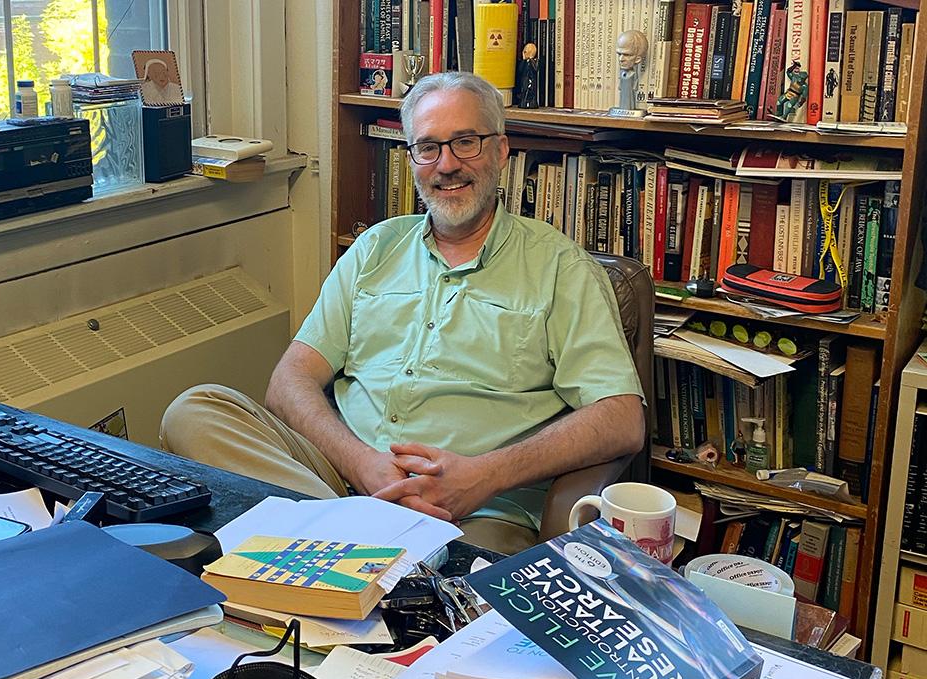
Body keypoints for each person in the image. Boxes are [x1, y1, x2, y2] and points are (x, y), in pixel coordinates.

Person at [160, 72, 644, 553]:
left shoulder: (561, 268)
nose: (446, 165)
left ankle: (326, 542)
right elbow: (289, 381)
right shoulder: (375, 248)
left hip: (469, 509)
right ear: (411, 159)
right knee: (195, 411)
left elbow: (621, 418)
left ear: (500, 151)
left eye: (466, 143)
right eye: (428, 147)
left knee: (454, 582)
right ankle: (352, 533)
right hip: (339, 477)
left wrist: (482, 476)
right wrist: (362, 465)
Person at [615, 29, 649, 112]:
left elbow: (635, 85)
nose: (621, 59)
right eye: (619, 54)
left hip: (630, 98)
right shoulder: (622, 72)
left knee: (629, 99)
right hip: (623, 98)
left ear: (638, 59)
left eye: (626, 55)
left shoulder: (633, 74)